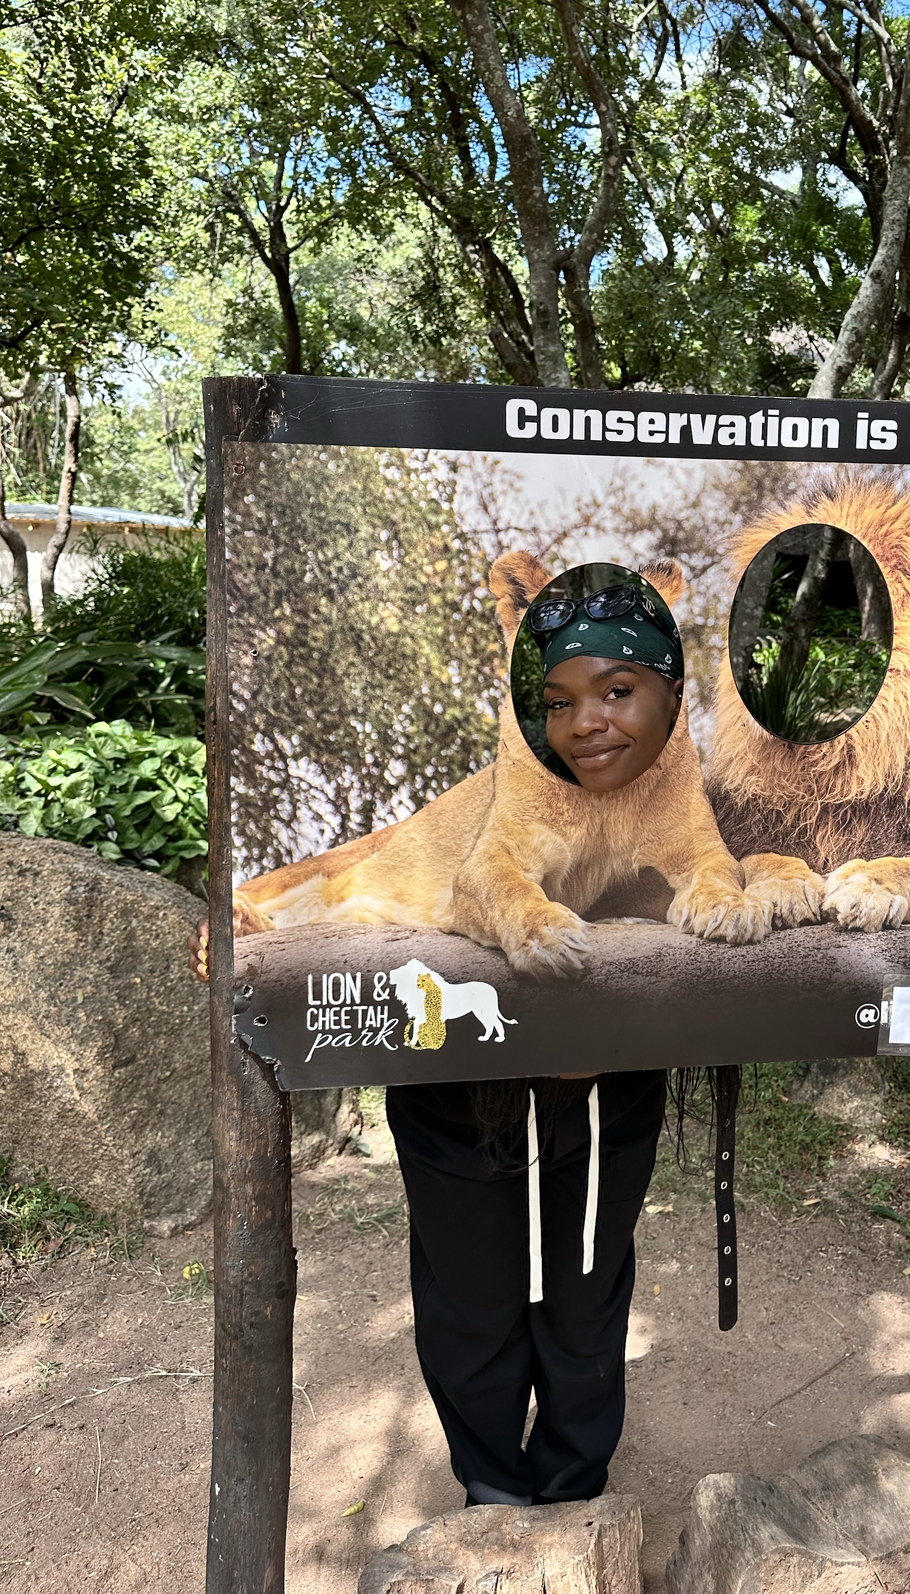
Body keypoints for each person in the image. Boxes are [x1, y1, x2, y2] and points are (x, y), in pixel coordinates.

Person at [195, 581, 687, 1508]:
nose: (589, 715)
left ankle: (576, 1496)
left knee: (584, 1309)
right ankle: (493, 1495)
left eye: (617, 686)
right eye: (559, 689)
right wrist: (254, 906)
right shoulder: (491, 788)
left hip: (600, 1097)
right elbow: (378, 855)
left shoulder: (674, 800)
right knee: (470, 1309)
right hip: (456, 1089)